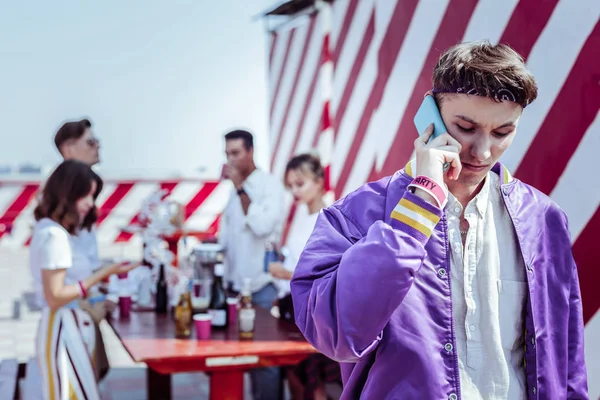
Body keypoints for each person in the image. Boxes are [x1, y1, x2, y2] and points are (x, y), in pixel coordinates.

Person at [290, 40, 588, 399]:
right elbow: (334, 335)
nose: (482, 152)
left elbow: (567, 358)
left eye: (502, 133)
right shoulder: (354, 215)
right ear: (430, 113)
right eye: (465, 127)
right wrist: (419, 207)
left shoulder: (542, 218)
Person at [30, 160, 140, 399]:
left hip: (72, 326)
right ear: (68, 194)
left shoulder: (54, 231)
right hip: (63, 328)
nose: (90, 204)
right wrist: (101, 275)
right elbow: (55, 296)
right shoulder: (54, 236)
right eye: (86, 196)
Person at [218, 129, 285, 399]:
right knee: (242, 357)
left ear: (250, 152)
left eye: (235, 153)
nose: (230, 160)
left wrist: (240, 188)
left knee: (265, 361)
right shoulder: (234, 193)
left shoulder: (269, 186)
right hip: (235, 288)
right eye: (227, 154)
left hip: (261, 286)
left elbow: (261, 226)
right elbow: (230, 239)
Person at [268, 153, 341, 400]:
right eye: (290, 186)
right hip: (293, 309)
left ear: (319, 180)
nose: (295, 192)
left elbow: (327, 275)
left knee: (312, 379)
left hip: (312, 312)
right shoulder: (302, 218)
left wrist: (284, 272)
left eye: (300, 184)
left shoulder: (329, 218)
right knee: (297, 376)